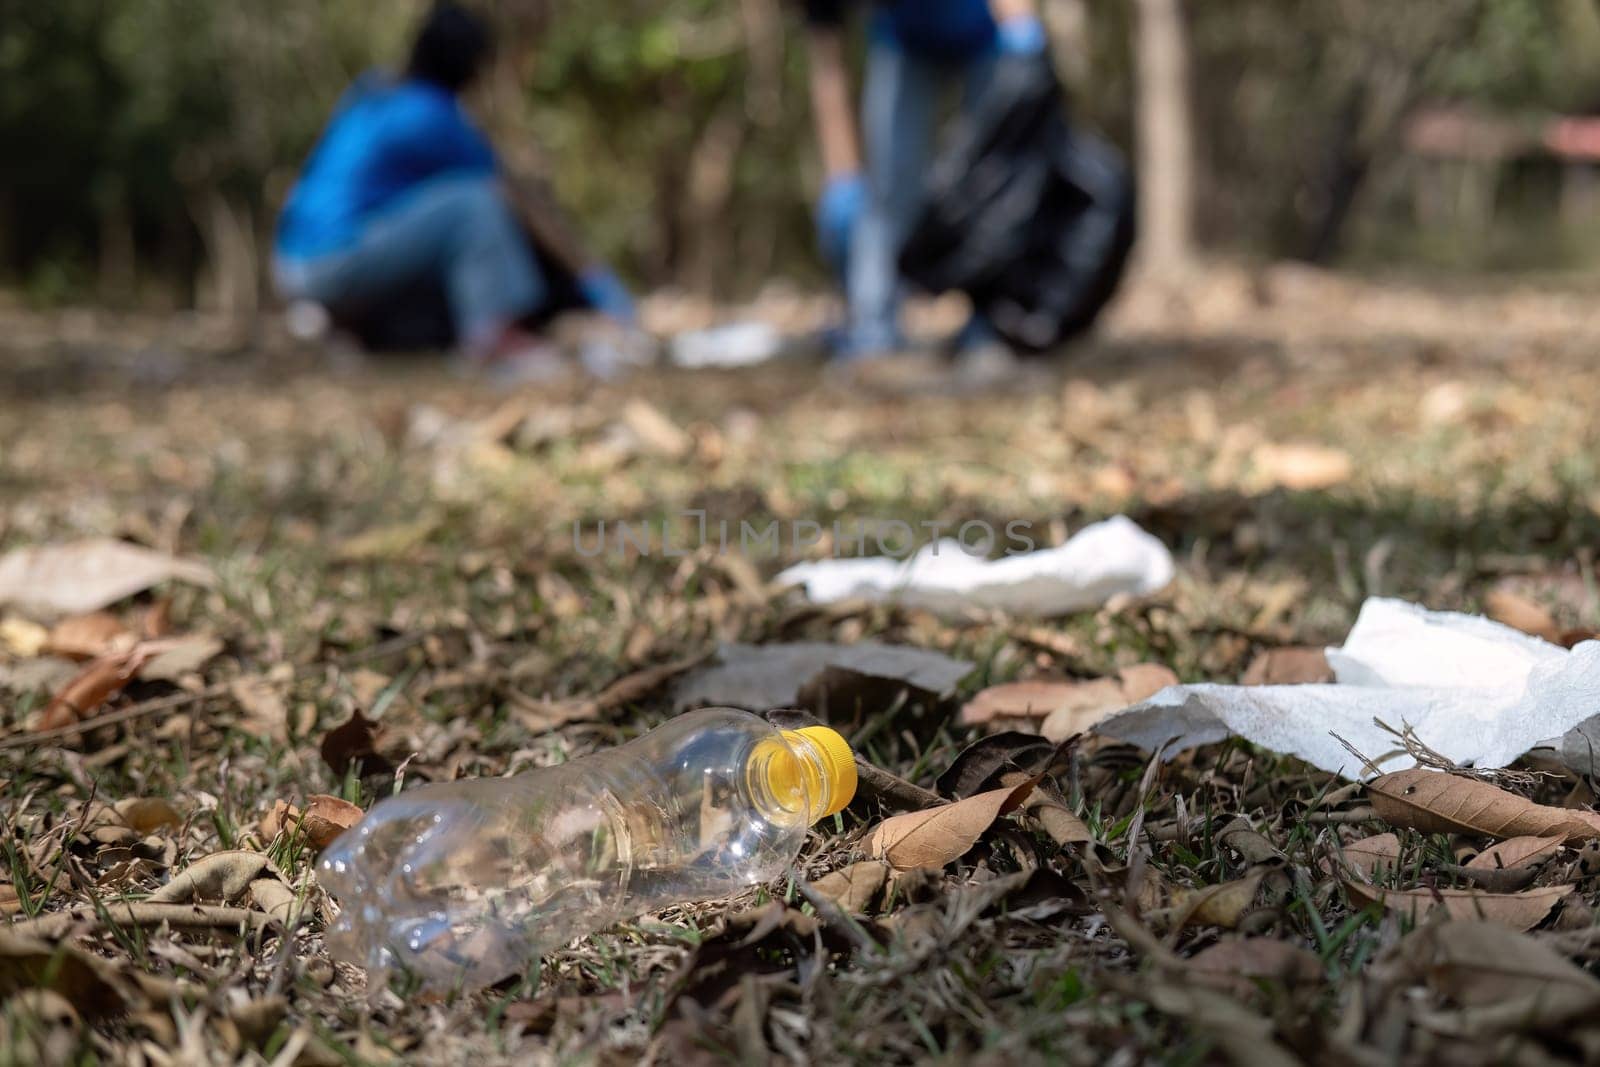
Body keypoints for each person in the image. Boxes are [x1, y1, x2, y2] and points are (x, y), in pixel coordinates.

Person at [273, 3, 635, 378]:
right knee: (475, 203)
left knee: (449, 234)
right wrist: (596, 282)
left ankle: (365, 332)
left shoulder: (372, 91)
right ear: (470, 67)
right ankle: (493, 335)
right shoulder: (432, 115)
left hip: (295, 263)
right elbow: (515, 200)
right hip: (336, 263)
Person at [801, 0, 1047, 361]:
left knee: (995, 184)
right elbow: (828, 65)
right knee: (889, 190)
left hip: (986, 33)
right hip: (904, 42)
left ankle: (991, 326)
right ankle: (875, 331)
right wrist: (843, 176)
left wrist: (1021, 27)